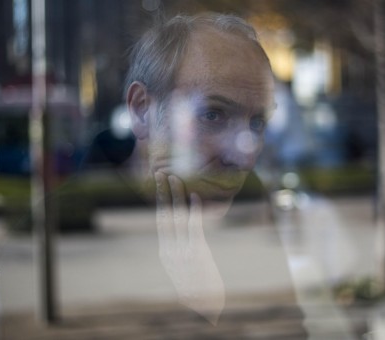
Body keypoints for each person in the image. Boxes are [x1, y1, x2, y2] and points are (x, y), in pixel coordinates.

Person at [82, 13, 305, 335]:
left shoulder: (258, 224)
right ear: (142, 108)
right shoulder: (71, 246)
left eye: (257, 122)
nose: (244, 153)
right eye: (213, 114)